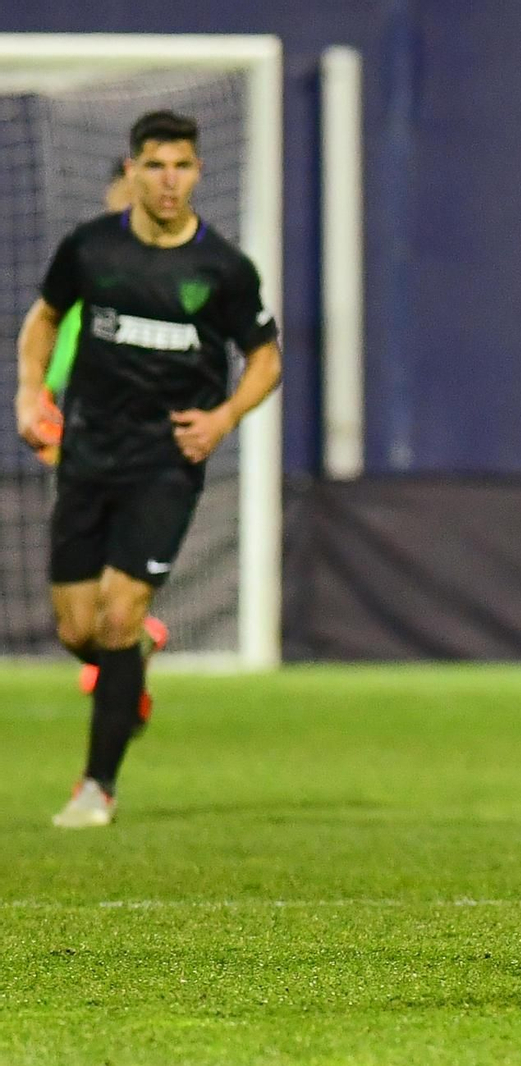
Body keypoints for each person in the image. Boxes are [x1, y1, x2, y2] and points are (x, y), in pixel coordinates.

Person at [13, 110, 282, 828]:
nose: (170, 181)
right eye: (156, 165)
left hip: (166, 462)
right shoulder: (91, 249)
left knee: (118, 614)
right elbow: (44, 318)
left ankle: (96, 787)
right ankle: (129, 669)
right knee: (78, 630)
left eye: (183, 166)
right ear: (131, 170)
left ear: (199, 171)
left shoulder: (221, 268)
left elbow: (266, 358)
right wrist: (28, 390)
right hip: (88, 455)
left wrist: (223, 419)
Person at [29, 159, 136, 466]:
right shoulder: (87, 258)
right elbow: (64, 330)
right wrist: (45, 394)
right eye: (123, 192)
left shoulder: (185, 263)